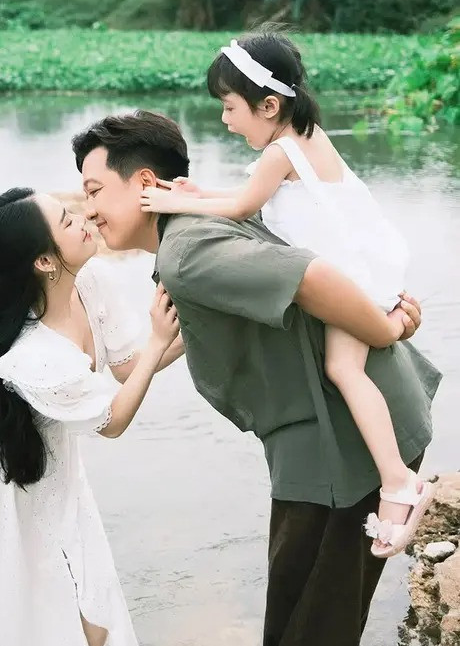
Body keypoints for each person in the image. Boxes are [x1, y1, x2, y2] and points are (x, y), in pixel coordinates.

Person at [71, 110, 442, 646]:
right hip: (334, 436)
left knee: (309, 640)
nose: (89, 209)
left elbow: (311, 275)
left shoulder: (188, 252)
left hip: (340, 447)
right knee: (306, 626)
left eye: (95, 190)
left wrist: (384, 327)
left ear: (145, 181)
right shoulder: (191, 237)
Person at [138, 30, 433, 558]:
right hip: (363, 264)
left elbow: (241, 208)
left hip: (348, 278)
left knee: (344, 370)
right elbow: (249, 198)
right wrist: (197, 192)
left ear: (269, 105)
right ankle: (396, 476)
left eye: (231, 107)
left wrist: (169, 203)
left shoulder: (281, 152)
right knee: (347, 368)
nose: (225, 120)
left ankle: (397, 481)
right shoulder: (306, 137)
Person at [0, 187, 183, 646]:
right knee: (31, 630)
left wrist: (197, 330)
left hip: (55, 479)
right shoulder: (32, 353)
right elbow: (112, 421)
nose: (83, 219)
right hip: (3, 494)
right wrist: (162, 338)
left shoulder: (89, 280)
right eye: (66, 220)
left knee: (89, 616)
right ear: (44, 261)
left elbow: (128, 366)